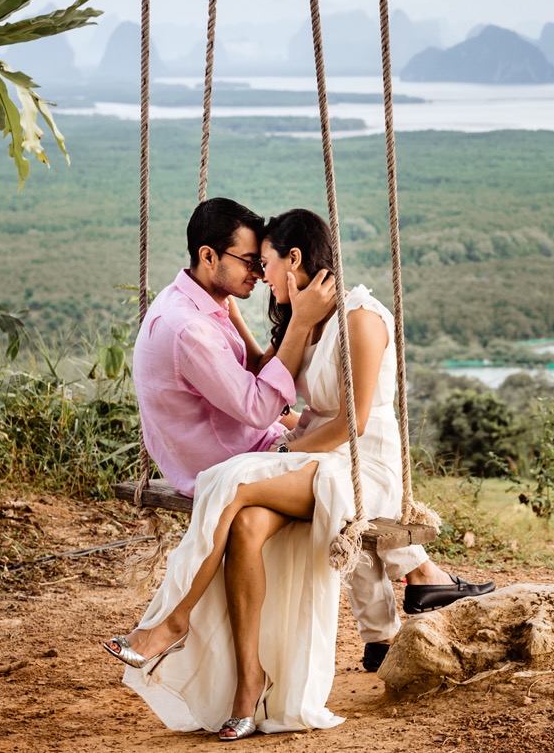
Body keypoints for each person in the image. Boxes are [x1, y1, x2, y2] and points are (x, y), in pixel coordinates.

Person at [104, 201, 492, 739]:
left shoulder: (360, 316)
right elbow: (280, 386)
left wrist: (289, 450)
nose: (261, 276)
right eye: (252, 264)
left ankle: (171, 621)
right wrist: (248, 325)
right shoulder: (307, 324)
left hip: (360, 467)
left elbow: (351, 425)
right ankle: (249, 685)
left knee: (228, 480)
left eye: (265, 264)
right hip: (317, 460)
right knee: (244, 524)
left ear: (294, 259)